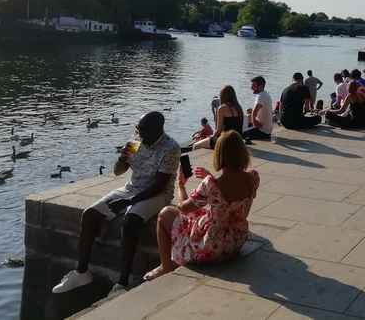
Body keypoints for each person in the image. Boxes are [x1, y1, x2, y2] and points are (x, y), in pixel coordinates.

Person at [52, 112, 179, 295]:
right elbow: (118, 172)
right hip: (132, 188)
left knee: (130, 222)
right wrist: (122, 159)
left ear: (158, 130)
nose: (139, 134)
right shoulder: (135, 142)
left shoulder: (170, 148)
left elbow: (159, 186)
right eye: (138, 129)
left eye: (143, 131)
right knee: (90, 214)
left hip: (158, 195)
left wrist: (128, 202)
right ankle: (81, 272)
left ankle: (122, 283)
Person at [144, 131, 260, 281]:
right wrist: (210, 179)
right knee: (201, 213)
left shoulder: (211, 185)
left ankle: (165, 266)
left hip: (213, 248)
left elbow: (183, 208)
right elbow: (227, 198)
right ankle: (169, 263)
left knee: (165, 214)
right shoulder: (253, 177)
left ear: (220, 155)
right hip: (236, 241)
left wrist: (181, 186)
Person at [195, 86, 243, 150]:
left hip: (226, 140)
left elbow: (219, 130)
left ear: (223, 96)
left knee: (196, 146)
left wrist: (212, 136)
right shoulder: (239, 107)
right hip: (238, 141)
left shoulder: (222, 108)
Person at [244, 76, 273, 141]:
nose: (251, 87)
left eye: (254, 85)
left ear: (260, 86)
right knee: (245, 117)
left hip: (262, 132)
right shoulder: (264, 94)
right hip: (266, 129)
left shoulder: (261, 96)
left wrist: (255, 123)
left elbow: (254, 113)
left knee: (239, 134)